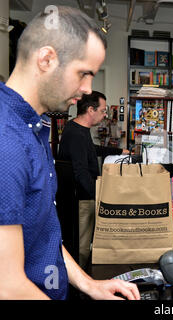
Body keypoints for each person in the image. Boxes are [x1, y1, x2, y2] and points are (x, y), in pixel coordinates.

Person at [0, 6, 139, 300]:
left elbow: (43, 233)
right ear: (47, 59)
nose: (87, 89)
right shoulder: (6, 140)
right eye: (83, 73)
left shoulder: (33, 126)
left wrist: (89, 284)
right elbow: (7, 286)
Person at [58, 91, 130, 268]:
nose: (105, 115)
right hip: (81, 200)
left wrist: (119, 152)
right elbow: (80, 172)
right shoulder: (76, 134)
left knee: (84, 246)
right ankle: (79, 288)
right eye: (103, 111)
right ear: (91, 109)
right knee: (81, 249)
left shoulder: (78, 129)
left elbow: (91, 150)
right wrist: (99, 198)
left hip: (84, 197)